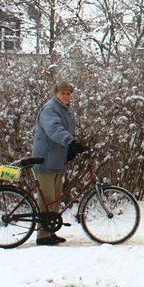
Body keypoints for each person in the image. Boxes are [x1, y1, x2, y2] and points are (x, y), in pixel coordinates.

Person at [31, 80, 88, 246]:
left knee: (55, 199)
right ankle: (42, 236)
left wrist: (72, 147)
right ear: (56, 94)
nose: (66, 96)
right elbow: (54, 129)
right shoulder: (50, 109)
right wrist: (70, 142)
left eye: (68, 93)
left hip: (56, 160)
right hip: (46, 159)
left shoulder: (65, 110)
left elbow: (66, 131)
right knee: (47, 199)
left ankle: (50, 232)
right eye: (63, 93)